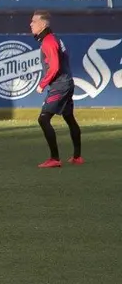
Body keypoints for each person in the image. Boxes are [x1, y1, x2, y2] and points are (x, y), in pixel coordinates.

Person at [30, 10, 83, 168]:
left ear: (43, 24)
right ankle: (77, 157)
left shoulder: (48, 41)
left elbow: (54, 67)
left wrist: (42, 84)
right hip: (66, 82)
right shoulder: (54, 39)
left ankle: (54, 159)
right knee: (69, 118)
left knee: (43, 119)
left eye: (34, 21)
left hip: (60, 85)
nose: (30, 24)